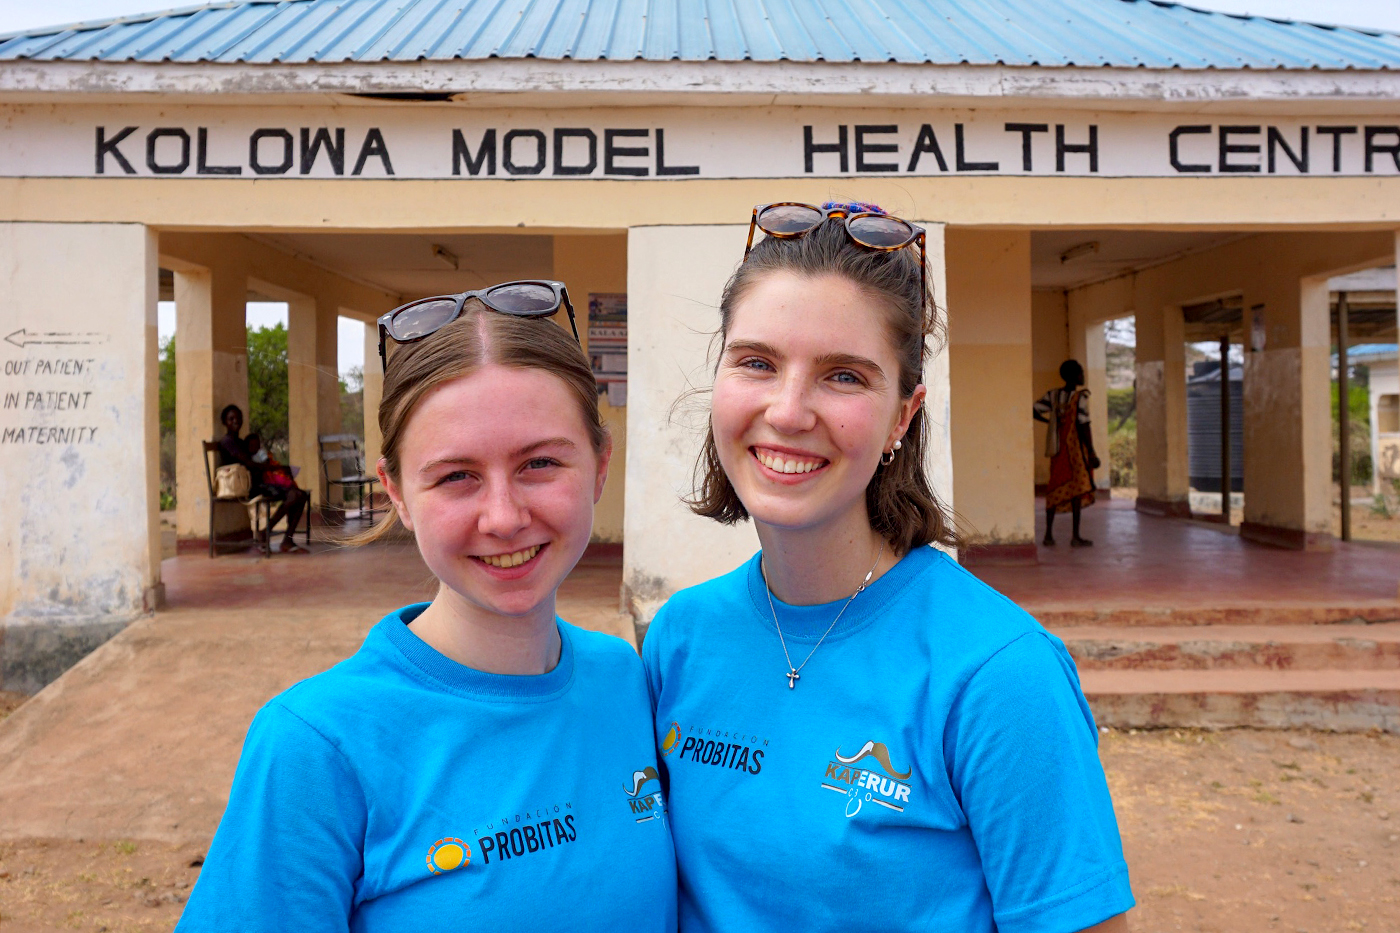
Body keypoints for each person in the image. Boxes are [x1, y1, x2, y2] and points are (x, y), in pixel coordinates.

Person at [642, 203, 1133, 933]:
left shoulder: (998, 673)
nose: (788, 409)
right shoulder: (679, 637)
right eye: (756, 362)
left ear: (903, 417)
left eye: (843, 375)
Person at [178, 284, 676, 931]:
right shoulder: (316, 745)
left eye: (541, 462)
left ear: (600, 465)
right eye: (455, 476)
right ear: (398, 493)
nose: (503, 516)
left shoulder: (624, 679)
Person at [216, 404, 310, 553]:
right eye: (231, 419)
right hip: (249, 487)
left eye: (238, 418)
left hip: (259, 483)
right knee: (295, 495)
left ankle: (283, 538)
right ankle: (270, 533)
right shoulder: (228, 442)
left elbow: (257, 462)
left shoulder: (241, 442)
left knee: (301, 495)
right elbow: (251, 464)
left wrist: (276, 469)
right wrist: (279, 468)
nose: (235, 421)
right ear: (224, 422)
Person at [1034, 359, 1102, 547]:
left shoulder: (1053, 395)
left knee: (1054, 485)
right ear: (1073, 375)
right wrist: (1092, 452)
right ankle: (1075, 536)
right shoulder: (1081, 397)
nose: (1082, 375)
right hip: (1076, 450)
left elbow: (1034, 409)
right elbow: (1084, 425)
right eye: (1080, 372)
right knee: (1077, 490)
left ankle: (1048, 535)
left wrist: (1051, 424)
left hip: (1057, 449)